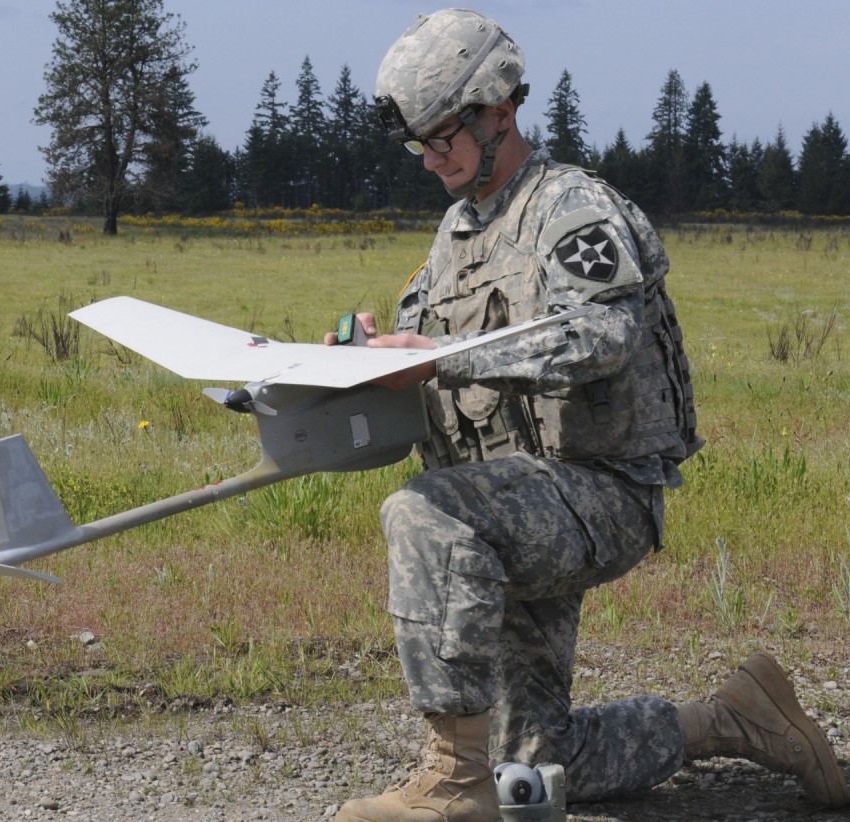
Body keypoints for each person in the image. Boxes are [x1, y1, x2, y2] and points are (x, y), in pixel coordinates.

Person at [328, 9, 849, 821]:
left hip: (598, 490)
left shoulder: (571, 209)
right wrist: (365, 356)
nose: (431, 161)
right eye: (419, 146)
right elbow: (423, 349)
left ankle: (450, 781)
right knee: (534, 772)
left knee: (421, 515)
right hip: (510, 502)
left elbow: (601, 334)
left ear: (498, 111)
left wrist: (443, 356)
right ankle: (734, 717)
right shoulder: (457, 231)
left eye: (444, 139)